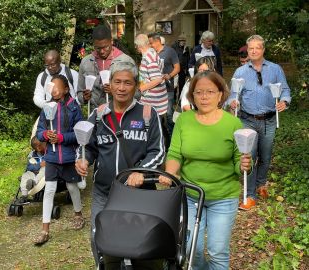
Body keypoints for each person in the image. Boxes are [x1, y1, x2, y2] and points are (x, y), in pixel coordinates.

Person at [75, 61, 165, 267]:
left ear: (136, 85)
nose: (122, 88)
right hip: (104, 192)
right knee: (100, 239)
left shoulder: (148, 114)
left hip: (139, 194)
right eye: (117, 82)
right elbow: (88, 147)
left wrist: (140, 171)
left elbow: (158, 151)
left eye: (127, 83)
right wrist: (83, 159)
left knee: (140, 244)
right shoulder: (98, 115)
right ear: (110, 85)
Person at [159, 71, 252, 270]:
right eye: (199, 92)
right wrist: (171, 173)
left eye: (210, 91)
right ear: (192, 96)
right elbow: (175, 153)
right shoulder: (184, 121)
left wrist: (244, 165)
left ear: (220, 94)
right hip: (191, 195)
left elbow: (239, 163)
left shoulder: (233, 124)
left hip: (223, 197)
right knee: (193, 248)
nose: (204, 96)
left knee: (217, 251)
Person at [229, 35, 291, 210]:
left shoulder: (275, 69)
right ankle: (249, 196)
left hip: (269, 120)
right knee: (249, 157)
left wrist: (284, 101)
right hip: (247, 120)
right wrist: (232, 101)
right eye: (251, 48)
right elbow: (233, 95)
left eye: (257, 48)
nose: (254, 51)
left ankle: (261, 184)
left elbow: (285, 89)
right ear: (247, 51)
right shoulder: (240, 72)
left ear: (263, 50)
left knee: (265, 155)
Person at [34, 74, 84, 246]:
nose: (53, 89)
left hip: (69, 156)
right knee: (49, 190)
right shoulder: (46, 107)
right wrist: (45, 135)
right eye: (51, 87)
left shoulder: (74, 107)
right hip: (52, 157)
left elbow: (80, 133)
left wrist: (62, 138)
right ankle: (45, 229)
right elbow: (39, 131)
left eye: (57, 87)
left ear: (66, 89)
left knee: (72, 186)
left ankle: (78, 214)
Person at [77, 25, 135, 113]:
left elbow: (137, 94)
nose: (102, 51)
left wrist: (116, 92)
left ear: (111, 41)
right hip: (95, 115)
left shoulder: (126, 61)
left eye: (105, 47)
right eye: (98, 48)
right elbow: (79, 93)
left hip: (120, 113)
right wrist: (84, 97)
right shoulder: (86, 62)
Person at [134, 34, 169, 145]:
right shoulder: (153, 54)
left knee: (154, 128)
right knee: (158, 126)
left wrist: (141, 88)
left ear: (138, 46)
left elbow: (157, 79)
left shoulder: (148, 57)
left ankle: (160, 148)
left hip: (154, 102)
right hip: (156, 100)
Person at [148, 32, 180, 139]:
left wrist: (169, 75)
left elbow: (177, 68)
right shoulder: (151, 53)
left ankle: (173, 139)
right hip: (155, 91)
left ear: (157, 42)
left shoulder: (170, 51)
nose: (150, 45)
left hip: (168, 89)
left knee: (169, 116)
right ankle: (160, 139)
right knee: (156, 117)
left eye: (151, 43)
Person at [19, 136, 46, 203]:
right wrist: (38, 165)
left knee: (44, 169)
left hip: (43, 176)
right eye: (36, 146)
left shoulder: (49, 153)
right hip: (34, 173)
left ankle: (33, 182)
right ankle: (24, 196)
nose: (38, 148)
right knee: (25, 175)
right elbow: (29, 167)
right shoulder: (32, 155)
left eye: (40, 145)